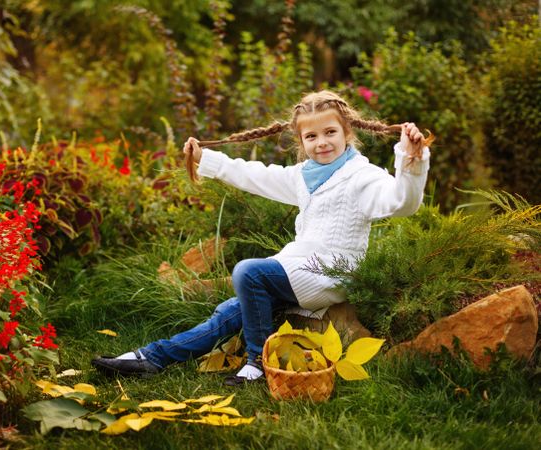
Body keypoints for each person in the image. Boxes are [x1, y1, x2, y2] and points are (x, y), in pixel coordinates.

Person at [92, 90, 431, 386]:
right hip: (296, 266)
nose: (322, 142)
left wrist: (411, 161)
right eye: (311, 136)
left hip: (332, 270)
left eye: (330, 132)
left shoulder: (362, 176)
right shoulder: (304, 175)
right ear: (301, 142)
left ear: (347, 133)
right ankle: (151, 358)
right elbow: (253, 175)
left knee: (248, 271)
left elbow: (403, 202)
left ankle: (256, 363)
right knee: (227, 313)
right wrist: (204, 158)